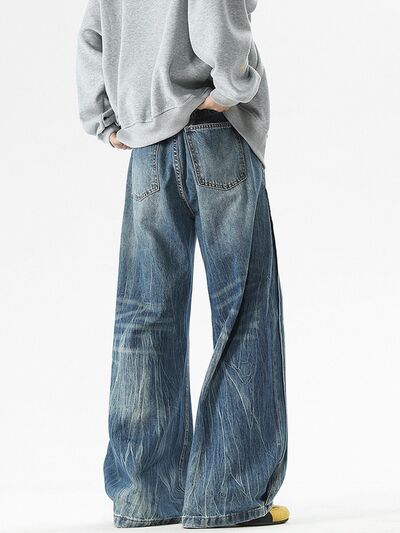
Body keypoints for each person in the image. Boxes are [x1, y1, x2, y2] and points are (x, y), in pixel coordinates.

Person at [76, 0, 289, 528]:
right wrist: (233, 85)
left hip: (147, 146)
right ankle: (229, 497)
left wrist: (104, 119)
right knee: (244, 314)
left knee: (145, 316)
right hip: (216, 132)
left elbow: (93, 33)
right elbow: (213, 10)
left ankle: (145, 497)